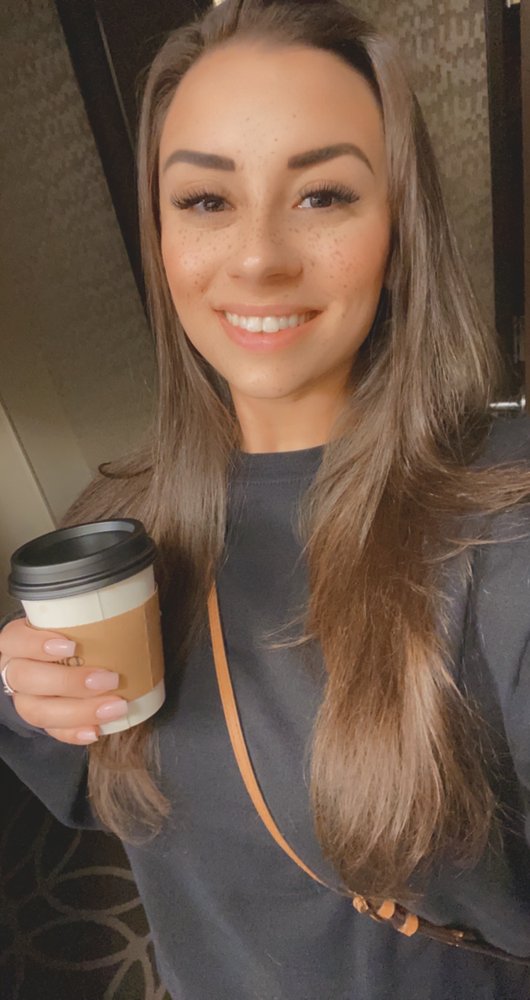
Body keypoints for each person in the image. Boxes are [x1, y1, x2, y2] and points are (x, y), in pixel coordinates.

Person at [1, 0, 530, 996]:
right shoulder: (121, 519)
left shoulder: (500, 520)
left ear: (398, 230)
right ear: (160, 235)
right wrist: (33, 692)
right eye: (206, 200)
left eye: (322, 195)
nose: (257, 257)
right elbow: (102, 792)